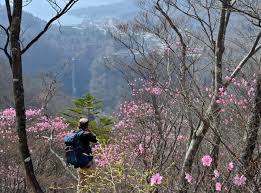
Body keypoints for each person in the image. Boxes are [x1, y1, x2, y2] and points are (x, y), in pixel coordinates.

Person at [77, 118, 98, 192]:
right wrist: (89, 131)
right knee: (92, 177)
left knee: (81, 181)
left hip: (78, 160)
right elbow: (95, 140)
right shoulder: (87, 134)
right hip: (87, 159)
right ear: (87, 125)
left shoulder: (75, 133)